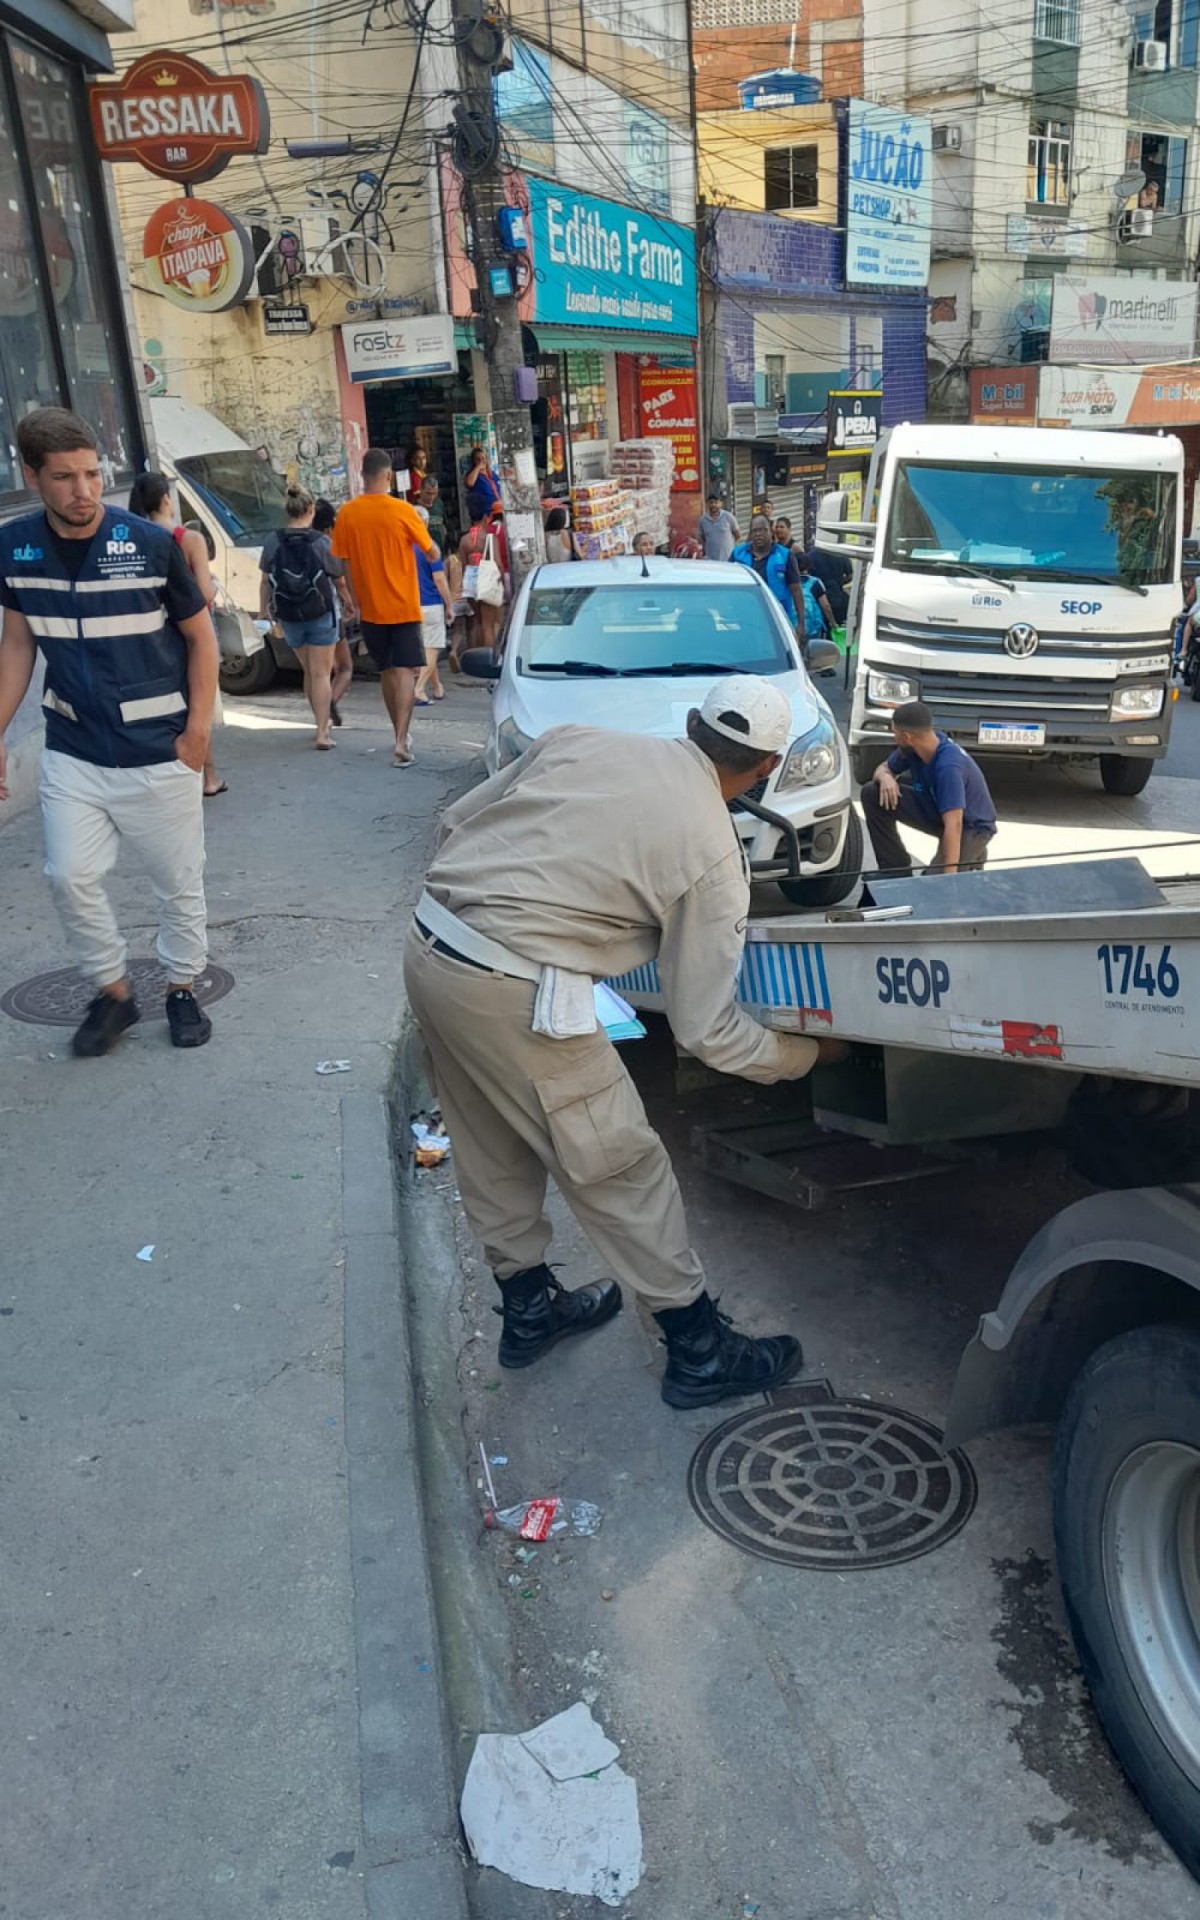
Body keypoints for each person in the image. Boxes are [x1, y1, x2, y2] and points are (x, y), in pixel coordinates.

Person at [404, 677, 847, 1411]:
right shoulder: (712, 851)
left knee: (491, 1142)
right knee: (619, 1165)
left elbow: (457, 822)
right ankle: (699, 1351)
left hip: (431, 950)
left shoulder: (582, 740)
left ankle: (530, 1310)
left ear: (690, 722)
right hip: (513, 988)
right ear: (767, 767)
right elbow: (709, 1032)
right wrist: (807, 1057)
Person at [0, 407, 218, 1055]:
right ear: (31, 476)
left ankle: (181, 988)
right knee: (68, 874)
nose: (84, 491)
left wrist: (197, 735)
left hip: (160, 749)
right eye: (64, 477)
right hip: (74, 749)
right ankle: (113, 992)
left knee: (177, 880)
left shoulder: (151, 546)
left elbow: (201, 640)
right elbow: (17, 645)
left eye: (93, 474)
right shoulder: (14, 548)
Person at [329, 447, 436, 768]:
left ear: (362, 476)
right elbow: (431, 552)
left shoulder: (347, 514)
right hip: (402, 605)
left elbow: (344, 562)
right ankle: (402, 741)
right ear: (388, 476)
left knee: (388, 672)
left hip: (370, 609)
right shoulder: (403, 511)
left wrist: (355, 599)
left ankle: (397, 733)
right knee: (405, 672)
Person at [129, 471, 227, 798]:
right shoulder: (189, 539)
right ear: (167, 499)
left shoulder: (132, 538)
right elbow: (203, 593)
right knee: (200, 703)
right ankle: (207, 776)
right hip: (192, 630)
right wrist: (212, 582)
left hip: (153, 632)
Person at [862, 700, 997, 877]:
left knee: (930, 888)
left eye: (895, 733)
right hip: (935, 808)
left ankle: (971, 855)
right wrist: (886, 777)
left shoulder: (948, 767)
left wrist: (947, 879)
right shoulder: (915, 748)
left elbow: (954, 825)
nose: (894, 738)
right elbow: (882, 769)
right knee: (872, 792)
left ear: (906, 736)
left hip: (969, 826)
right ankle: (894, 870)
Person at [259, 485, 344, 750]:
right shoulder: (321, 542)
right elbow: (338, 580)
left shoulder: (273, 541)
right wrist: (351, 603)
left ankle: (317, 722)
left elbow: (265, 581)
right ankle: (322, 731)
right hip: (320, 613)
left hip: (289, 615)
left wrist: (264, 610)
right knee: (321, 673)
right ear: (311, 510)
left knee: (309, 671)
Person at [313, 498, 353, 726]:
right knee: (344, 668)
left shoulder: (288, 541)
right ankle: (327, 704)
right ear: (329, 527)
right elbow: (339, 581)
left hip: (298, 615)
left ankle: (322, 711)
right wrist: (350, 603)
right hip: (328, 613)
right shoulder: (325, 545)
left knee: (314, 672)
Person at [731, 513, 806, 634]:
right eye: (754, 531)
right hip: (746, 620)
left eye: (763, 530)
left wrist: (801, 624)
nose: (758, 534)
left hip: (779, 620)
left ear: (771, 531)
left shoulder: (785, 555)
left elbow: (796, 590)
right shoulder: (737, 554)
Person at [412, 506, 456, 705]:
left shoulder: (403, 546)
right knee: (433, 648)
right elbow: (439, 578)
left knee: (428, 647)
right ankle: (419, 689)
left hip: (411, 605)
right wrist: (449, 604)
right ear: (427, 523)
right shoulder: (429, 546)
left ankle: (437, 687)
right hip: (430, 603)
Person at [458, 506, 502, 650]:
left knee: (477, 622)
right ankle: (488, 657)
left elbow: (463, 566)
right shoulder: (489, 538)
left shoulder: (464, 540)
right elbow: (497, 563)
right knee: (488, 624)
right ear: (485, 518)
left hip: (470, 583)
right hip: (486, 582)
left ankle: (474, 655)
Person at [805, 541, 852, 628]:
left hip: (817, 600)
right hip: (837, 598)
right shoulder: (841, 554)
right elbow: (850, 575)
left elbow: (807, 575)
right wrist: (839, 582)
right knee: (837, 628)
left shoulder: (811, 555)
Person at [464, 445, 502, 521]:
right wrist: (478, 467)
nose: (481, 461)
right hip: (485, 515)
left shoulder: (492, 474)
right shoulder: (474, 475)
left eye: (483, 458)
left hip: (498, 512)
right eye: (478, 459)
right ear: (474, 461)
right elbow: (469, 483)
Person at [698, 492, 739, 561]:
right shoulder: (703, 520)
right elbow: (702, 539)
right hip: (710, 560)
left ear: (720, 503)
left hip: (728, 559)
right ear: (707, 504)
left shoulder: (728, 517)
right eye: (711, 502)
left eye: (716, 502)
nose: (713, 505)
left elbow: (737, 535)